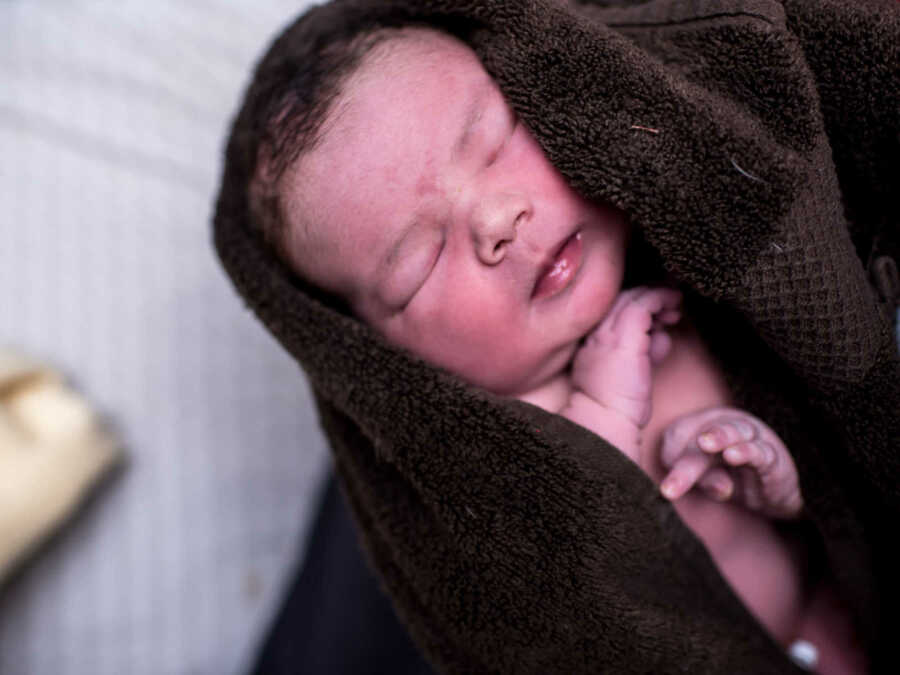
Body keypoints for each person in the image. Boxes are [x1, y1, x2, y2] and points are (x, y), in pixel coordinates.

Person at [248, 25, 866, 674]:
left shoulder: (693, 268)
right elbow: (576, 598)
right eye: (421, 260)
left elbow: (836, 453)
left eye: (496, 142)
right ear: (385, 356)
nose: (497, 219)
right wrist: (605, 410)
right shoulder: (494, 455)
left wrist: (781, 478)